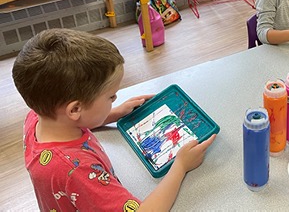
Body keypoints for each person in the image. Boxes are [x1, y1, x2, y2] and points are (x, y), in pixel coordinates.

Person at [12, 28, 216, 211]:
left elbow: (74, 120)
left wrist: (114, 113)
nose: (116, 99)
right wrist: (180, 166)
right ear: (75, 109)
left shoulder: (38, 116)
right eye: (111, 97)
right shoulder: (78, 170)